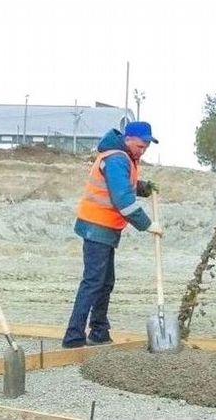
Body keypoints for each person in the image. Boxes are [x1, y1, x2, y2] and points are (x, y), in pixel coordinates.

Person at [62, 121, 163, 348]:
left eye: (146, 147)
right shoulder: (117, 158)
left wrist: (143, 187)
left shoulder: (123, 158)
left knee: (105, 282)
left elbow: (124, 185)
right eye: (140, 145)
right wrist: (147, 225)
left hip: (104, 229)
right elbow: (122, 200)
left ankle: (99, 332)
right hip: (97, 226)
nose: (143, 150)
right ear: (128, 140)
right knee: (93, 282)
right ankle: (73, 337)